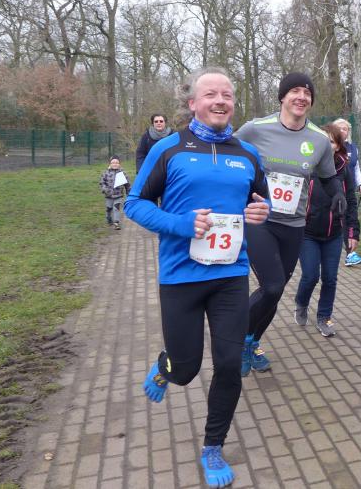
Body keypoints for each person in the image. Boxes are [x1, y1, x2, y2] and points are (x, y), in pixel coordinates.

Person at [125, 67, 270, 488]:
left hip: (231, 275)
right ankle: (165, 366)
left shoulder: (248, 154)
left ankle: (213, 446)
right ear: (192, 103)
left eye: (227, 94)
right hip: (180, 276)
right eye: (211, 94)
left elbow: (260, 201)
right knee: (186, 369)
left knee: (228, 365)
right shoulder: (168, 149)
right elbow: (135, 203)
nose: (220, 100)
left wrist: (261, 212)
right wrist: (181, 224)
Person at [235, 72, 345, 375]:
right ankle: (234, 338)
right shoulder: (255, 129)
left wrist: (338, 194)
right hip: (261, 219)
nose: (302, 97)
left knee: (276, 291)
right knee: (271, 286)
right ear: (282, 97)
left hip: (295, 225)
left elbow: (328, 177)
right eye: (295, 91)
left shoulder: (319, 139)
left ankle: (251, 342)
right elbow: (228, 154)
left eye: (307, 93)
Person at [293, 121, 360, 337]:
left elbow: (351, 201)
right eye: (322, 140)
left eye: (330, 142)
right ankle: (301, 303)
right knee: (311, 276)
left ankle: (324, 317)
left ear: (338, 145)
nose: (325, 145)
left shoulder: (343, 169)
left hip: (334, 234)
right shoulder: (305, 167)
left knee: (330, 278)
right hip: (307, 233)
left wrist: (352, 232)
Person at [332, 118, 361, 267]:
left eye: (345, 129)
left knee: (350, 219)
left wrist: (360, 183)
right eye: (339, 128)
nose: (342, 131)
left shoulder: (353, 148)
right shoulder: (330, 147)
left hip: (349, 190)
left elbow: (356, 168)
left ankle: (350, 253)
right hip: (334, 191)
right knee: (338, 220)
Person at [99, 155, 130, 230]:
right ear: (110, 164)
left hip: (118, 195)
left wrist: (128, 193)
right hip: (108, 195)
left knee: (116, 208)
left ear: (119, 164)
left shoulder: (122, 173)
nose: (115, 164)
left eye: (117, 162)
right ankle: (109, 218)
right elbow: (102, 183)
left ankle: (116, 222)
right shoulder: (105, 173)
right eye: (113, 162)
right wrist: (105, 189)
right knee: (109, 208)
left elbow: (127, 184)